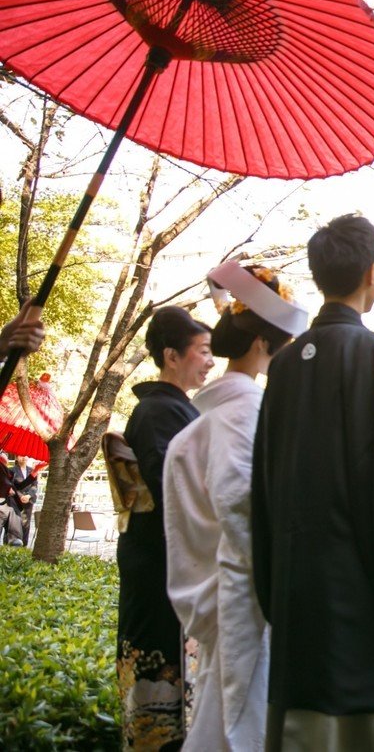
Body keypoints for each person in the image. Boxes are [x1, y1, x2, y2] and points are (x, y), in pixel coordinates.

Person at [250, 215, 374, 749]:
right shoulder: (372, 353)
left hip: (299, 589)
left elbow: (264, 484)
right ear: (373, 272)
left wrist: (273, 584)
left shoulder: (286, 364)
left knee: (308, 725)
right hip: (364, 588)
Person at [164, 262, 305, 752]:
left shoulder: (213, 414)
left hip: (224, 589)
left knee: (223, 714)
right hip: (246, 591)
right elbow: (240, 504)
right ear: (263, 344)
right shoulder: (243, 410)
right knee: (241, 724)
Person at [115, 306, 213, 750]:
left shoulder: (173, 409)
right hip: (158, 568)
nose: (210, 361)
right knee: (158, 687)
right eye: (203, 351)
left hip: (163, 563)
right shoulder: (159, 413)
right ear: (172, 356)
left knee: (166, 684)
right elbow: (175, 491)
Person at [8, 454, 37, 546]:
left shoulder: (32, 470)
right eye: (21, 456)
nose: (23, 457)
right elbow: (13, 486)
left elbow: (34, 485)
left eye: (25, 456)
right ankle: (11, 546)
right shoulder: (12, 470)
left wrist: (29, 495)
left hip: (29, 500)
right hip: (15, 501)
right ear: (16, 457)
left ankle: (24, 547)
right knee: (14, 525)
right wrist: (20, 496)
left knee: (26, 525)